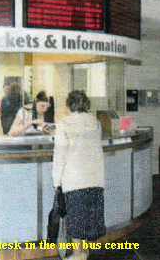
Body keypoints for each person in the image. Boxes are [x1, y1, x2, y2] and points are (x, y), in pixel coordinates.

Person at [52, 90, 106, 260]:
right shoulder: (95, 122)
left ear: (69, 105)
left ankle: (77, 256)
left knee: (76, 219)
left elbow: (60, 155)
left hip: (75, 179)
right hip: (95, 178)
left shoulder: (64, 124)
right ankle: (84, 252)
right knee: (89, 217)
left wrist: (57, 180)